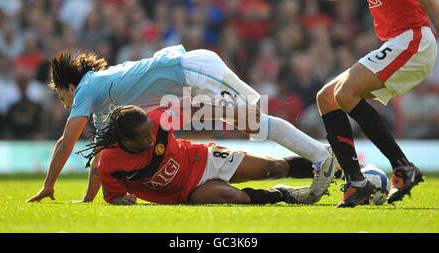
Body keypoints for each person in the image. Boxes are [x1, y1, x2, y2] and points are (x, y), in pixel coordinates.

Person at [27, 45, 338, 203]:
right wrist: (88, 197)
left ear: (69, 86)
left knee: (254, 120)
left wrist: (49, 184)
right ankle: (329, 160)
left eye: (60, 96)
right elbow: (100, 157)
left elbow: (66, 142)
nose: (64, 103)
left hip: (192, 71)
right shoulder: (101, 102)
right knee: (255, 121)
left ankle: (323, 157)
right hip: (189, 81)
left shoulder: (86, 90)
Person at [316, 0, 438, 208]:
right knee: (326, 97)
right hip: (396, 42)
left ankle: (402, 167)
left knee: (345, 93)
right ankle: (356, 181)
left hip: (413, 40)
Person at [89, 104, 325, 205]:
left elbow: (195, 111)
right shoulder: (111, 161)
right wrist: (121, 199)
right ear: (125, 141)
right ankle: (281, 195)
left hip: (202, 159)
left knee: (274, 168)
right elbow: (113, 195)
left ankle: (334, 168)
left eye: (150, 133)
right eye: (143, 138)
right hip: (186, 192)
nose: (151, 138)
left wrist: (232, 113)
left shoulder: (158, 118)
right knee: (236, 198)